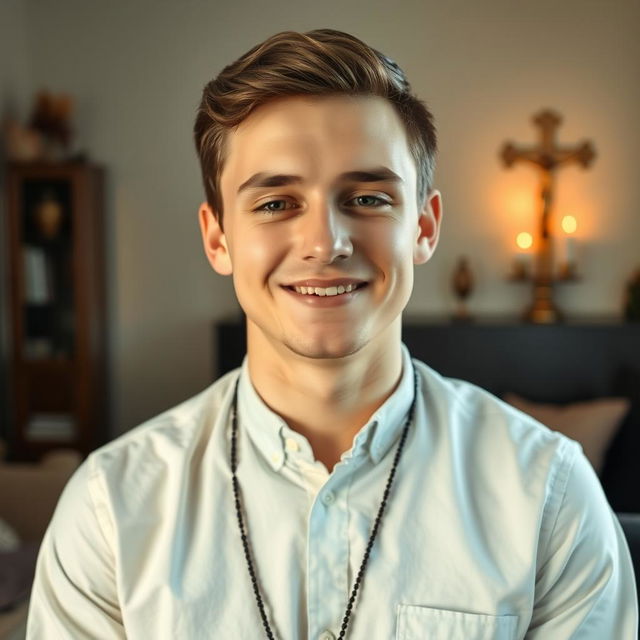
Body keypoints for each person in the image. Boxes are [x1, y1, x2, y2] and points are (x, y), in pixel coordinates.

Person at [27, 28, 637, 639]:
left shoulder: (549, 495)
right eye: (274, 204)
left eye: (368, 197)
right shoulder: (109, 511)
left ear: (424, 227)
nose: (326, 244)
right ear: (218, 238)